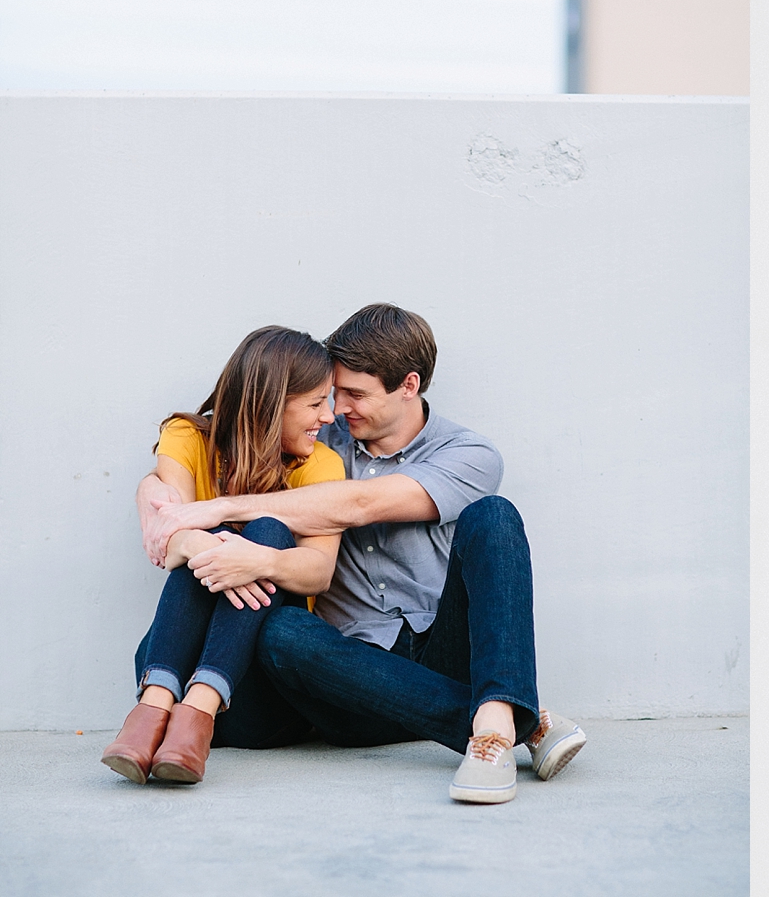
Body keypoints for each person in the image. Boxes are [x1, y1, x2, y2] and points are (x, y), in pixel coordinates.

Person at [142, 303, 585, 804]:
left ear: (409, 385)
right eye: (333, 394)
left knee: (495, 516)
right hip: (345, 677)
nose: (338, 408)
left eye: (356, 394)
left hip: (442, 649)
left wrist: (212, 509)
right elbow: (204, 445)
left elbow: (361, 504)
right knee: (283, 632)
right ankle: (510, 721)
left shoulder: (469, 455)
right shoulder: (314, 439)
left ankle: (495, 716)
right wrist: (157, 501)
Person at [104, 326, 345, 784]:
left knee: (269, 530)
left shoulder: (321, 465)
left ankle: (192, 710)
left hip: (262, 700)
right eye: (316, 403)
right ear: (272, 402)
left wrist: (255, 559)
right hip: (173, 669)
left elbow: (318, 573)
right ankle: (155, 713)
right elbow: (168, 532)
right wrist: (202, 542)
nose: (328, 416)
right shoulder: (187, 437)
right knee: (204, 527)